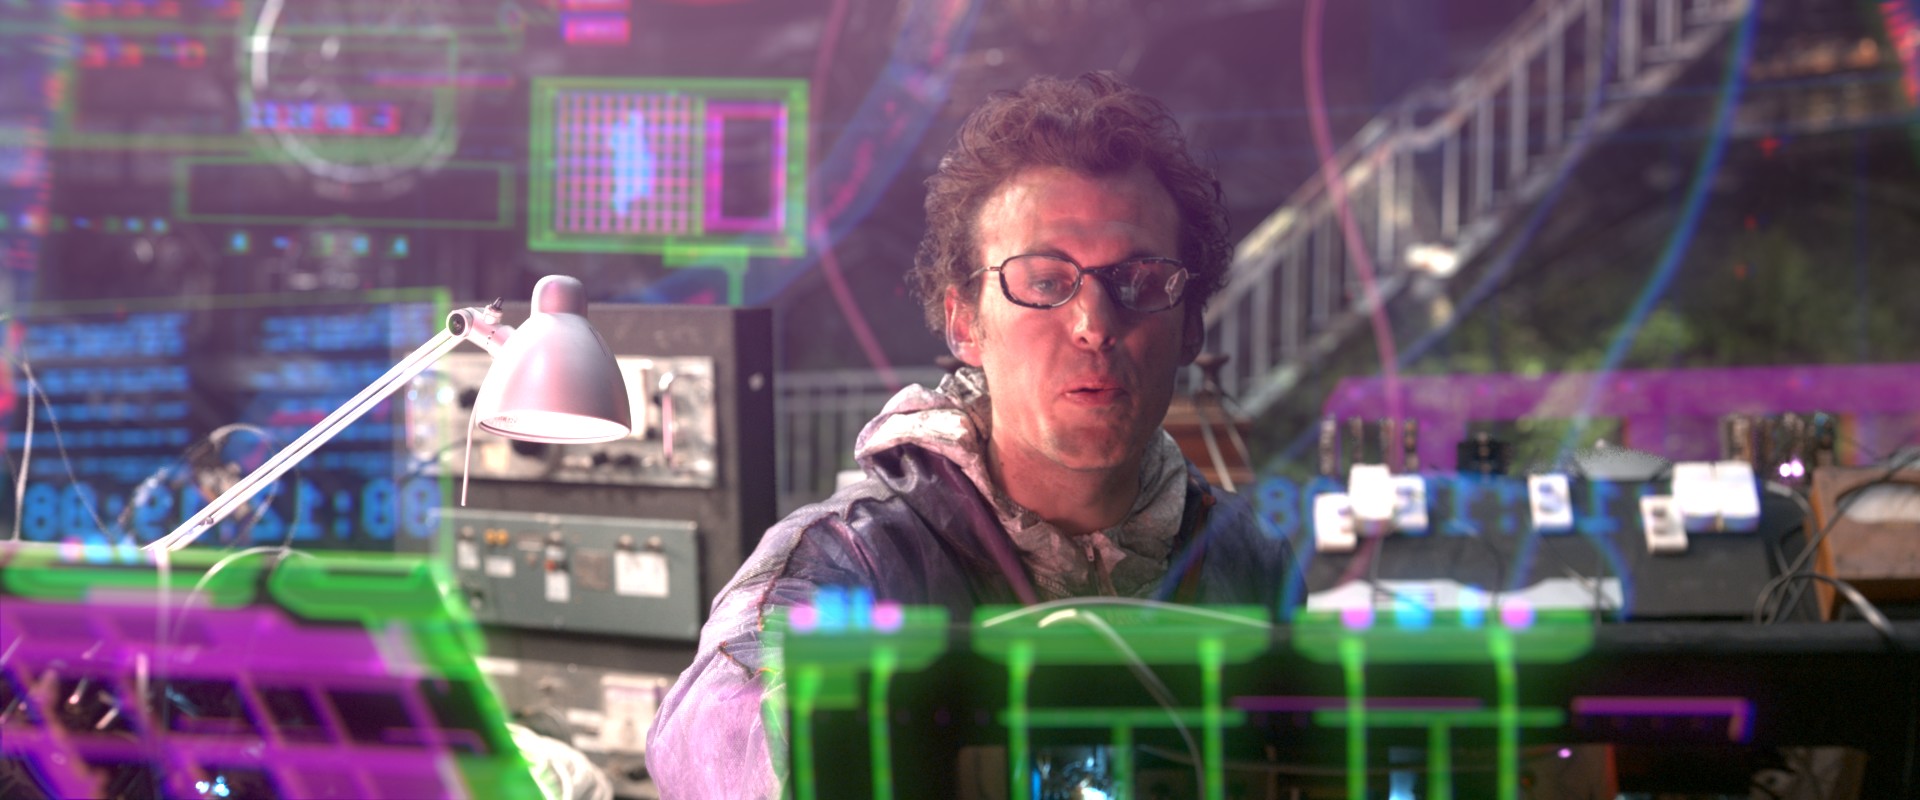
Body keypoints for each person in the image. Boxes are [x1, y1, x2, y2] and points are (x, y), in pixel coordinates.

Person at [645, 71, 1294, 798]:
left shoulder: (1243, 557)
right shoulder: (855, 560)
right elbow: (710, 733)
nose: (1094, 324)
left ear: (1190, 326)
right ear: (964, 326)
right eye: (1044, 282)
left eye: (1141, 280)